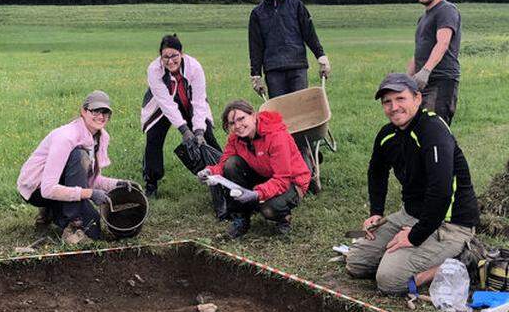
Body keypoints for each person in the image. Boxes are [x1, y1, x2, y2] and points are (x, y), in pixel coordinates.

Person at [342, 73, 479, 294]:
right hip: (409, 215)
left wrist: (415, 235)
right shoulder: (387, 135)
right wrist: (376, 212)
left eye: (400, 99)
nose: (394, 107)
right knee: (356, 262)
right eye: (387, 102)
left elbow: (441, 191)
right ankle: (404, 257)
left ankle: (461, 259)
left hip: (449, 223)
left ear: (417, 98)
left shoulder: (433, 130)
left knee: (389, 281)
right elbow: (376, 171)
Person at [17, 90, 136, 244]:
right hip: (37, 189)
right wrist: (90, 194)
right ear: (83, 111)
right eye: (95, 111)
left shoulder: (101, 136)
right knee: (79, 156)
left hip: (60, 184)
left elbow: (91, 179)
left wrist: (118, 184)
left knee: (94, 229)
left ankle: (53, 212)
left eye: (105, 112)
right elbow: (48, 188)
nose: (101, 116)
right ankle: (72, 224)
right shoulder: (66, 137)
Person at [198, 99, 310, 238]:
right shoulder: (236, 138)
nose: (238, 126)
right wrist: (210, 172)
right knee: (231, 164)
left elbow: (282, 179)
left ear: (253, 115)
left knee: (268, 209)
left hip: (291, 181)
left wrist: (257, 194)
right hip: (265, 173)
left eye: (241, 118)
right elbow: (224, 163)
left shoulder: (276, 136)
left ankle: (283, 219)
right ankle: (241, 217)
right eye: (232, 123)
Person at [140, 34, 220, 199]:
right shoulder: (154, 70)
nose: (170, 61)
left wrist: (198, 131)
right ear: (160, 57)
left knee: (207, 137)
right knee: (154, 139)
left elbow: (199, 101)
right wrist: (184, 130)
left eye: (174, 56)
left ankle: (222, 173)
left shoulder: (194, 67)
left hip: (189, 102)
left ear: (181, 53)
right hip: (160, 107)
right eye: (165, 57)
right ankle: (151, 182)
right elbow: (166, 103)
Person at [248, 0, 330, 99]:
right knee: (280, 112)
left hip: (297, 66)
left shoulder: (296, 5)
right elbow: (255, 46)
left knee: (300, 108)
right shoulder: (257, 14)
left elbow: (309, 34)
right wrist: (255, 74)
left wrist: (321, 56)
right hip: (273, 70)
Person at [407, 0, 461, 125]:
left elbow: (443, 43)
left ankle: (449, 151)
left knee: (435, 129)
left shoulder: (446, 10)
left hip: (441, 80)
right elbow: (418, 53)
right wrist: (407, 79)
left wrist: (425, 71)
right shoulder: (422, 18)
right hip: (422, 82)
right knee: (418, 128)